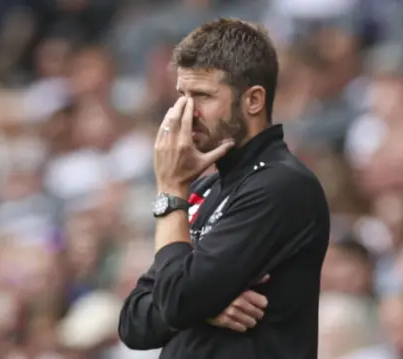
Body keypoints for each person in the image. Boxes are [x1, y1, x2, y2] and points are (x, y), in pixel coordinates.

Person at [118, 18, 330, 359]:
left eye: (202, 95)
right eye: (182, 95)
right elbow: (132, 322)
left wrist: (171, 190)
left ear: (254, 100)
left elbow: (176, 300)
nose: (186, 112)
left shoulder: (281, 186)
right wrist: (203, 306)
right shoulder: (206, 187)